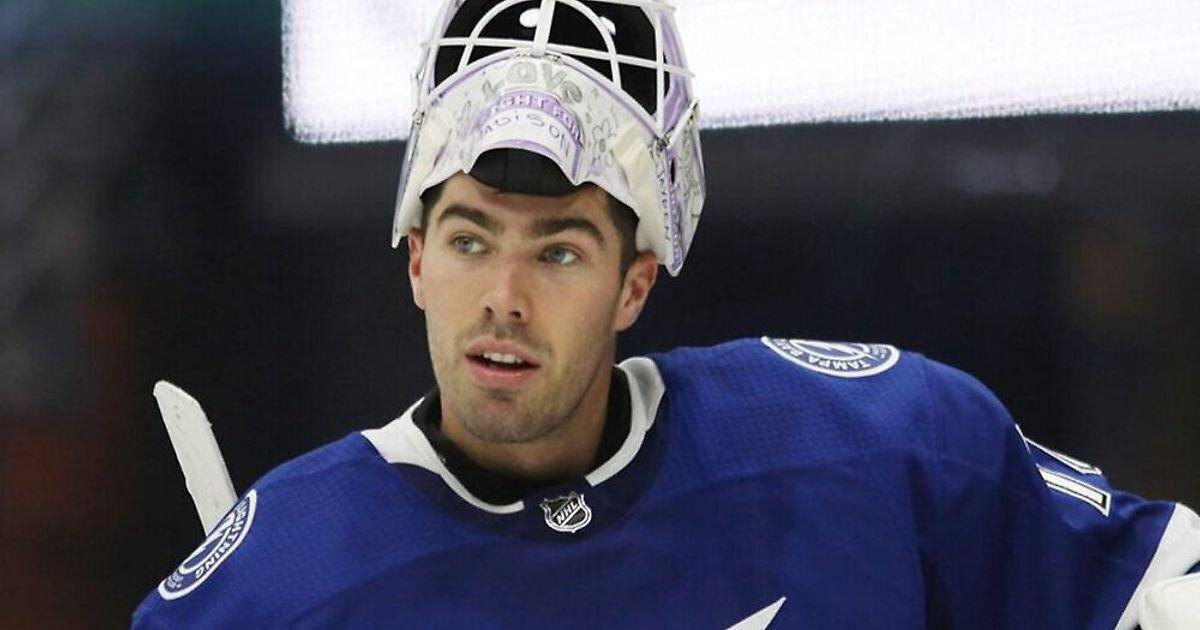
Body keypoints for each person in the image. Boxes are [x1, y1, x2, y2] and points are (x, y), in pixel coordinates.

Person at [134, 0, 1200, 627]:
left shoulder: (885, 449)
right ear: (415, 260)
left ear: (636, 282)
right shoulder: (271, 590)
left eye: (559, 249)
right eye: (468, 240)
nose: (503, 297)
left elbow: (1161, 592)